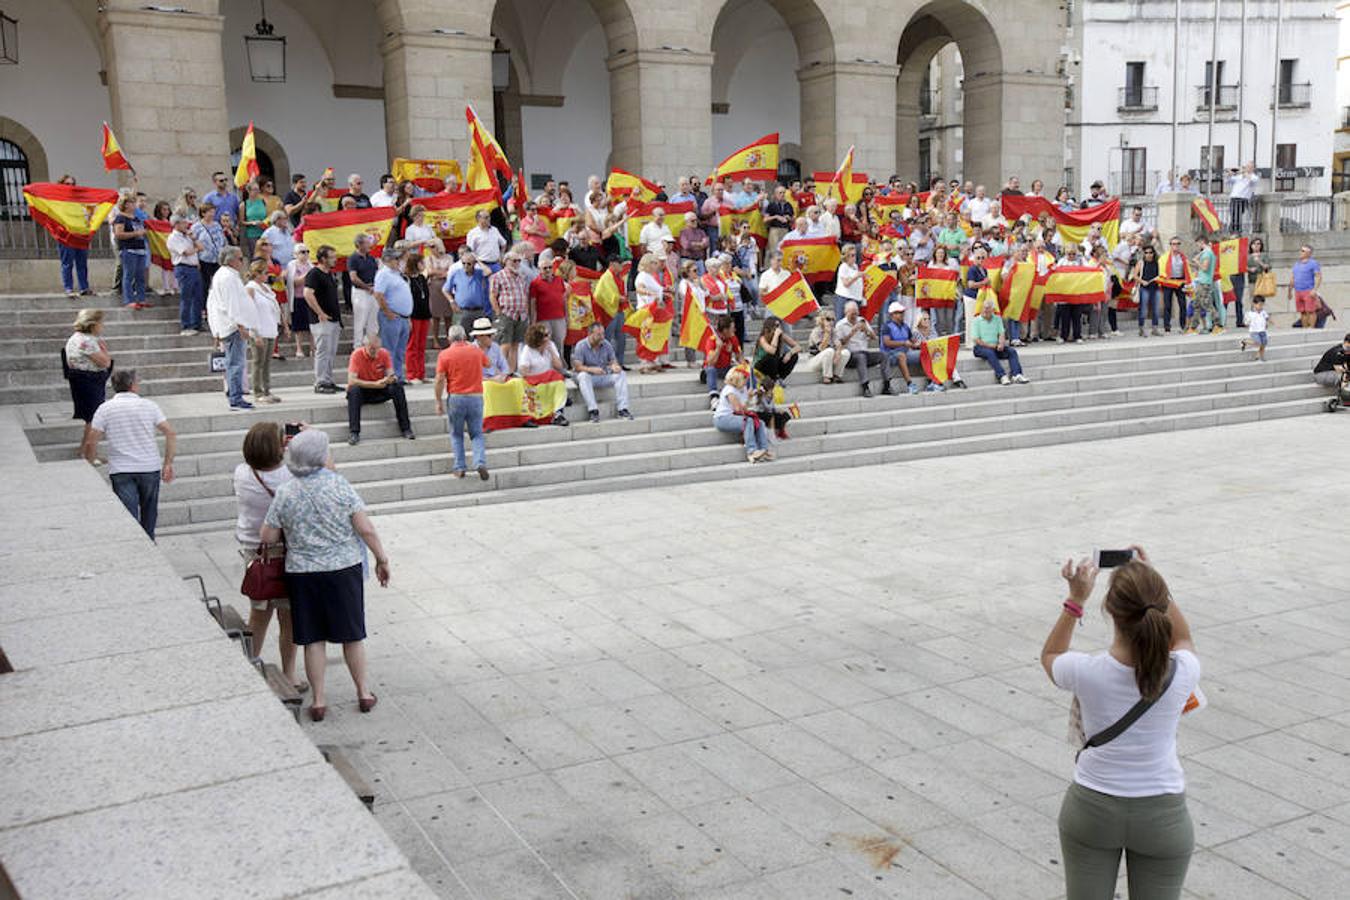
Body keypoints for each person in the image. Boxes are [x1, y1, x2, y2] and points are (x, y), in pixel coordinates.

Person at [1041, 546, 1200, 900]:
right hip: (1163, 816)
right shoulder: (1183, 671)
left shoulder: (1086, 671)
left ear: (1110, 612)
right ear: (1158, 609)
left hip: (1092, 810)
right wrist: (1155, 583)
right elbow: (1184, 638)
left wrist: (1075, 599)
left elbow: (1050, 655)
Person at [258, 429, 386, 721]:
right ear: (320, 456)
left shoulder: (286, 491)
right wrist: (382, 558)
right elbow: (365, 528)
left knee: (313, 638)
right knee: (352, 636)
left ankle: (318, 700)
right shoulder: (340, 485)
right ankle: (363, 693)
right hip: (343, 570)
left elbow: (267, 535)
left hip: (303, 573)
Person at [233, 421, 302, 691]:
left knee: (258, 614)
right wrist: (296, 444)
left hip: (254, 552)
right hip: (285, 552)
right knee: (289, 618)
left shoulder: (241, 472)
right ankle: (289, 675)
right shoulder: (289, 476)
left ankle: (250, 665)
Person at [83, 369, 176, 539]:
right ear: (133, 386)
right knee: (149, 512)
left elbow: (91, 441)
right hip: (149, 467)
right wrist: (168, 463)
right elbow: (170, 433)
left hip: (121, 469)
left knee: (129, 514)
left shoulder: (105, 409)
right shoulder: (149, 405)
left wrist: (91, 462)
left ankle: (136, 544)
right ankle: (150, 542)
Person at [434, 325, 491, 480]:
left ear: (449, 339)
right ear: (465, 337)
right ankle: (479, 462)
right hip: (476, 396)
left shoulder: (444, 355)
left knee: (457, 434)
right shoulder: (476, 351)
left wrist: (438, 400)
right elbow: (489, 364)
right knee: (477, 433)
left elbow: (439, 379)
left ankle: (460, 467)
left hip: (456, 397)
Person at [207, 246, 256, 410]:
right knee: (236, 363)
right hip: (232, 327)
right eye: (240, 259)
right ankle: (235, 398)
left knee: (233, 363)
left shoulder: (224, 275)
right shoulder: (227, 277)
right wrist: (241, 325)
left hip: (229, 325)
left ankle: (234, 394)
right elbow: (232, 305)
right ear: (232, 260)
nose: (243, 262)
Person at [346, 332, 415, 445]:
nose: (375, 352)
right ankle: (354, 432)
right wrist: (375, 384)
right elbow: (352, 380)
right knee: (353, 390)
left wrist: (389, 379)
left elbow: (391, 374)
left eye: (377, 348)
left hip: (379, 388)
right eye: (372, 349)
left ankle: (406, 428)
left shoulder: (384, 353)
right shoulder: (356, 355)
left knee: (397, 388)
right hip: (364, 390)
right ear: (365, 346)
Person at [64, 308, 113, 451]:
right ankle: (88, 452)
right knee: (94, 419)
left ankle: (85, 449)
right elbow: (105, 362)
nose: (103, 326)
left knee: (91, 418)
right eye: (101, 323)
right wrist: (104, 350)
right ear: (93, 324)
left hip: (82, 380)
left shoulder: (76, 337)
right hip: (89, 381)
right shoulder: (87, 341)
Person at [573, 322, 633, 423]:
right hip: (588, 377)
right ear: (590, 334)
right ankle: (593, 410)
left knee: (621, 374)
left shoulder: (606, 344)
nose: (602, 337)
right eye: (599, 334)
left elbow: (613, 361)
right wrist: (592, 369)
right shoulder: (581, 345)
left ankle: (623, 409)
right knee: (583, 376)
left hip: (602, 375)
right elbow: (578, 367)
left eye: (603, 334)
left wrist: (615, 366)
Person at [303, 245, 343, 394]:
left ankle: (328, 379)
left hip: (333, 319)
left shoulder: (329, 274)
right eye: (332, 257)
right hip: (322, 320)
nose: (335, 259)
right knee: (322, 352)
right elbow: (308, 293)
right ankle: (320, 381)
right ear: (323, 259)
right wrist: (319, 312)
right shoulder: (314, 274)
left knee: (331, 352)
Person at [371, 245, 414, 383]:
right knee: (389, 349)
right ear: (387, 260)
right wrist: (387, 312)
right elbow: (378, 294)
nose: (398, 261)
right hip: (392, 316)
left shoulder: (397, 274)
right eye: (395, 259)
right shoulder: (384, 274)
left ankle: (398, 376)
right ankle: (389, 376)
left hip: (402, 317)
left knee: (400, 350)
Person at [713, 367, 773, 463]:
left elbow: (744, 408)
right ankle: (752, 451)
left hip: (736, 416)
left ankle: (764, 449)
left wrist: (749, 398)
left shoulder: (743, 389)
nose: (747, 381)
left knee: (760, 422)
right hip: (723, 419)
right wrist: (748, 401)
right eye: (745, 379)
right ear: (739, 379)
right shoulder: (729, 390)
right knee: (748, 421)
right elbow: (738, 409)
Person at [244, 258, 282, 404]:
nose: (268, 275)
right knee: (258, 362)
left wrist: (282, 323)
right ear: (257, 274)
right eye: (265, 272)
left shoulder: (266, 288)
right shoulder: (251, 288)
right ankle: (258, 392)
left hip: (270, 328)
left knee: (266, 363)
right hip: (259, 330)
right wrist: (255, 332)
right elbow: (249, 311)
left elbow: (274, 306)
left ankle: (267, 390)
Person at [517, 323, 569, 426]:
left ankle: (558, 414)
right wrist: (539, 378)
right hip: (533, 382)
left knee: (558, 379)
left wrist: (551, 351)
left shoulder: (551, 346)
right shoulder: (528, 350)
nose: (548, 337)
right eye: (545, 335)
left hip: (548, 380)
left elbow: (559, 366)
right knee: (553, 375)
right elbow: (523, 371)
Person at [835, 300, 890, 397]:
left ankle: (887, 385)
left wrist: (867, 330)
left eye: (856, 313)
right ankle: (865, 387)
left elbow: (874, 338)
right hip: (850, 356)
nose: (854, 316)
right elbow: (839, 344)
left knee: (884, 355)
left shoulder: (862, 320)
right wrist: (851, 333)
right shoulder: (840, 325)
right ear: (846, 312)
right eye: (852, 314)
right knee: (861, 357)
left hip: (865, 352)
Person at [971, 298, 1029, 385]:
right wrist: (992, 346)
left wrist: (1001, 343)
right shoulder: (976, 321)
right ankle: (1001, 375)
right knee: (990, 353)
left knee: (1012, 351)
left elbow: (1001, 333)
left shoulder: (997, 319)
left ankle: (1016, 374)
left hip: (995, 346)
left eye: (988, 309)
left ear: (993, 310)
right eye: (984, 308)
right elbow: (977, 339)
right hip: (981, 347)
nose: (985, 311)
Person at [490, 253, 531, 370]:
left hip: (521, 315)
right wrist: (498, 312)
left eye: (519, 261)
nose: (517, 263)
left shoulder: (521, 276)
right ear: (506, 261)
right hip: (506, 313)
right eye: (514, 261)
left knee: (516, 345)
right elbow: (493, 295)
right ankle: (501, 370)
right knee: (505, 344)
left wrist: (526, 311)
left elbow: (524, 294)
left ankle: (511, 371)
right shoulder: (498, 276)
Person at [166, 214, 205, 335]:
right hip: (184, 268)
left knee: (198, 297)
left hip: (194, 268)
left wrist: (194, 239)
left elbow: (201, 246)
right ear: (176, 224)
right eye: (183, 223)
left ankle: (196, 323)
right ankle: (186, 325)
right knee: (186, 297)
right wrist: (196, 249)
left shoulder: (187, 236)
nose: (186, 225)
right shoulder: (173, 238)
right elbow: (187, 252)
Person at [113, 195, 148, 309]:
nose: (134, 205)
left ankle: (141, 298)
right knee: (129, 275)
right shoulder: (120, 218)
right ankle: (128, 300)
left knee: (140, 276)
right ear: (126, 204)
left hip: (140, 250)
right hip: (128, 249)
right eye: (132, 203)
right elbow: (119, 234)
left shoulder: (136, 218)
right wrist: (135, 234)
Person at [879, 302, 920, 393]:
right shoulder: (886, 326)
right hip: (890, 355)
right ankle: (910, 384)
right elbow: (887, 343)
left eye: (902, 312)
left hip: (906, 353)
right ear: (892, 314)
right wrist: (903, 343)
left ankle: (932, 380)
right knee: (901, 356)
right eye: (899, 313)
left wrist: (917, 344)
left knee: (924, 353)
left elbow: (912, 340)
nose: (902, 315)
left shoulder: (905, 326)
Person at [703, 316, 743, 406]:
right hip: (714, 368)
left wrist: (744, 366)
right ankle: (714, 397)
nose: (735, 330)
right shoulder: (712, 340)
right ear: (725, 330)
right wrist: (718, 348)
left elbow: (739, 357)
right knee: (711, 370)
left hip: (726, 367)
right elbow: (710, 362)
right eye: (732, 328)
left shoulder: (733, 338)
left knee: (740, 370)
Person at [347, 234, 380, 341]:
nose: (369, 244)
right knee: (360, 320)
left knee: (373, 320)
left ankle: (372, 344)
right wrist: (366, 287)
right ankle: (358, 345)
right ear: (359, 244)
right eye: (367, 242)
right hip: (360, 292)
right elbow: (353, 277)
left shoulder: (371, 258)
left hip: (373, 290)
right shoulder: (353, 258)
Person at [803, 310, 849, 383]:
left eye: (833, 319)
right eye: (828, 319)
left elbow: (838, 344)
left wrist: (838, 352)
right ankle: (827, 376)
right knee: (829, 351)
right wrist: (827, 334)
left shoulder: (833, 331)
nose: (831, 322)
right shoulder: (816, 332)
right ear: (822, 320)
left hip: (829, 360)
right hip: (814, 361)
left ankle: (836, 375)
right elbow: (821, 348)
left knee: (846, 352)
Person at [1290, 243, 1323, 330]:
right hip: (1298, 291)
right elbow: (1293, 278)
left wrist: (1314, 290)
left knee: (1311, 311)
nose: (1301, 252)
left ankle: (1312, 328)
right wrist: (1290, 291)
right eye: (1301, 250)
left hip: (1308, 290)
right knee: (1302, 311)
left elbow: (1318, 276)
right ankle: (1304, 328)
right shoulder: (1296, 264)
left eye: (1303, 251)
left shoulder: (1313, 263)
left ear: (1309, 253)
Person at [1132, 244, 1162, 337]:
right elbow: (1135, 275)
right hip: (1144, 288)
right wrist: (1142, 281)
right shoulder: (1141, 263)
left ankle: (1155, 328)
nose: (1149, 254)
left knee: (1156, 309)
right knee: (1143, 309)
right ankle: (1141, 328)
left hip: (1155, 288)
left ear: (1153, 253)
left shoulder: (1157, 262)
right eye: (1146, 253)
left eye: (1150, 252)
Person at [1237, 297, 1270, 362]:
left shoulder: (1263, 312)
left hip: (1262, 330)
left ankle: (1261, 356)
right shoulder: (1250, 313)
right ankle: (1244, 341)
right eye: (1259, 305)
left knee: (1264, 344)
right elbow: (1246, 322)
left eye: (1262, 305)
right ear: (1254, 304)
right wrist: (1247, 324)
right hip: (1254, 331)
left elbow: (1266, 318)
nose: (1261, 307)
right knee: (1258, 342)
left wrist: (1267, 324)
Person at [241, 180, 267, 259]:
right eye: (255, 189)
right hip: (252, 234)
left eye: (258, 189)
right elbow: (241, 222)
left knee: (266, 254)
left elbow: (267, 216)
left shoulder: (263, 202)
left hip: (264, 232)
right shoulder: (244, 205)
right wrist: (252, 223)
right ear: (249, 191)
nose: (257, 191)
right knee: (255, 256)